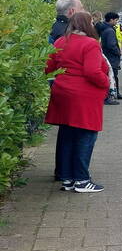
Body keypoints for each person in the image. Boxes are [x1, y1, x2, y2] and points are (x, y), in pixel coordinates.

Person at [45, 11, 109, 193]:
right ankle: (81, 180)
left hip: (62, 93)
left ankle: (67, 179)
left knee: (67, 135)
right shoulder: (90, 44)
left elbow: (49, 68)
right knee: (86, 135)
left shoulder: (59, 42)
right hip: (84, 96)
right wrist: (106, 83)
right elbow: (92, 72)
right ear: (88, 25)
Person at [97, 12, 122, 101]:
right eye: (116, 20)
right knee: (112, 75)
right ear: (111, 20)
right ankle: (112, 94)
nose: (117, 22)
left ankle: (114, 93)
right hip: (111, 57)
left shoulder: (104, 28)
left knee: (111, 75)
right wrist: (118, 52)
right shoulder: (109, 31)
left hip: (107, 55)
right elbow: (111, 45)